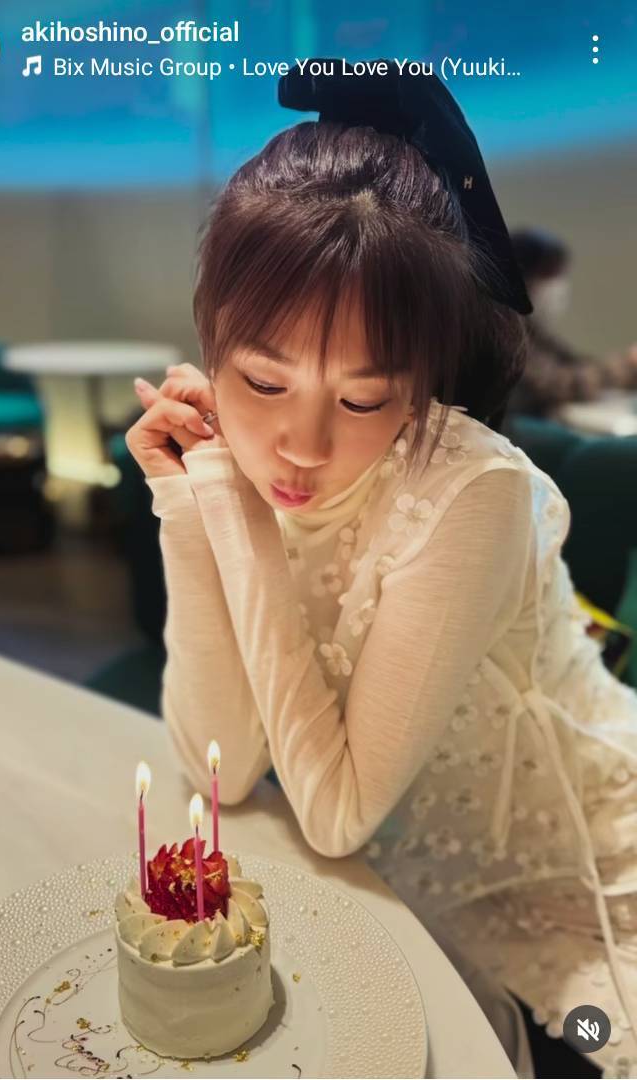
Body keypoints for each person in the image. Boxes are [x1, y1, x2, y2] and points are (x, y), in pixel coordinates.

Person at [126, 61, 637, 1079]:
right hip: (381, 871)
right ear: (210, 344)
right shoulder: (236, 457)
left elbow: (335, 812)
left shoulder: (471, 491)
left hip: (569, 873)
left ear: (420, 385)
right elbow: (220, 756)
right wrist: (188, 506)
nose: (300, 445)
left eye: (362, 400)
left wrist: (234, 510)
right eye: (262, 380)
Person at [506, 227, 637, 417]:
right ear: (522, 277)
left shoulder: (532, 328)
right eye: (548, 274)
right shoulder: (504, 329)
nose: (556, 286)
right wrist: (627, 365)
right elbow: (555, 384)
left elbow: (573, 363)